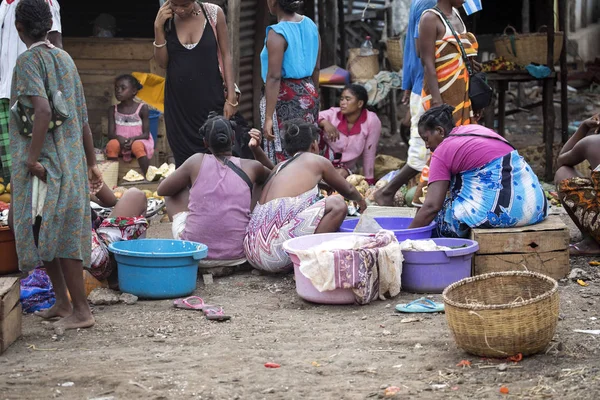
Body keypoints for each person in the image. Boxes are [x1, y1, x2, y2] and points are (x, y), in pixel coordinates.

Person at [8, 0, 102, 330]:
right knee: (43, 229)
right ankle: (63, 302)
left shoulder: (28, 61)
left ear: (18, 28)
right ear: (49, 25)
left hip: (48, 166)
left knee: (59, 234)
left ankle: (81, 311)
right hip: (71, 160)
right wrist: (92, 163)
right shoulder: (65, 59)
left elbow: (44, 111)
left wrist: (31, 158)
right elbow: (83, 118)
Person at [244, 120, 367, 273]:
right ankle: (311, 265)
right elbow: (348, 189)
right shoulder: (317, 161)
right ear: (314, 144)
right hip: (273, 255)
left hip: (251, 251)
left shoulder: (279, 167)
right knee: (337, 204)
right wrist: (362, 202)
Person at [408, 105, 547, 238]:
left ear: (440, 131)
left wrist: (405, 236)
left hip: (509, 214)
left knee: (438, 221)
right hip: (537, 207)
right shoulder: (475, 129)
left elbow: (432, 206)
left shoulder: (442, 150)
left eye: (426, 139)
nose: (427, 146)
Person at [157, 113, 270, 267]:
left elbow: (162, 190)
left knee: (173, 191)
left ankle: (195, 232)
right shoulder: (252, 166)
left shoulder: (196, 161)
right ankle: (247, 217)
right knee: (262, 182)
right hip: (238, 255)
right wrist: (256, 150)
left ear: (205, 142)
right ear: (233, 139)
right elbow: (274, 174)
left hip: (195, 255)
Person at [154, 0, 238, 167]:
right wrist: (158, 28)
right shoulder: (165, 18)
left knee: (218, 157)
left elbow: (226, 55)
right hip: (178, 107)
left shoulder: (214, 14)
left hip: (211, 103)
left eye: (185, 5)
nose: (179, 10)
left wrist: (231, 96)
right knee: (184, 162)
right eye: (174, 4)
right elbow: (163, 63)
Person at [373, 0, 436, 206]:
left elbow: (409, 48)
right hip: (430, 88)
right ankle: (388, 192)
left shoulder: (422, 3)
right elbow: (419, 52)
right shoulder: (428, 5)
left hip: (424, 85)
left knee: (430, 149)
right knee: (420, 150)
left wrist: (407, 83)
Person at [0, 0, 62, 183]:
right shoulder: (5, 3)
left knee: (33, 165)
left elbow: (55, 41)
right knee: (13, 168)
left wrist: (55, 89)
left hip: (35, 94)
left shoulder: (43, 2)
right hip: (6, 91)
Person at [261, 0, 321, 165]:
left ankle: (289, 187)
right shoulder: (310, 25)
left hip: (286, 99)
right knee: (308, 146)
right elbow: (316, 68)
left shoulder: (277, 33)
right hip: (309, 93)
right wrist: (314, 97)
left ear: (273, 2)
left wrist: (268, 117)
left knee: (288, 151)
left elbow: (274, 77)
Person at [419, 0, 479, 125]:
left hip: (462, 91)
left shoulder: (456, 14)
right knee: (446, 137)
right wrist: (437, 103)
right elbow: (427, 63)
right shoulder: (430, 19)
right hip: (443, 94)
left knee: (464, 138)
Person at [554, 113, 600, 256]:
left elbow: (562, 161)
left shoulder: (592, 143)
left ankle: (593, 241)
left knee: (563, 173)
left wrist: (583, 127)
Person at [317, 84, 381, 184]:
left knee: (339, 176)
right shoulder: (333, 113)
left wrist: (369, 181)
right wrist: (324, 122)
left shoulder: (371, 120)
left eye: (347, 99)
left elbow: (369, 152)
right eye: (342, 99)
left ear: (360, 103)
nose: (342, 103)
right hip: (323, 160)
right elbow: (312, 116)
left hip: (344, 168)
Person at [90, 184, 148, 286]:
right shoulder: (80, 169)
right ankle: (126, 275)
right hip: (93, 260)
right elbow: (109, 200)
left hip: (58, 263)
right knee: (136, 195)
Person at [105, 74, 154, 176]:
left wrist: (133, 139)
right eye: (116, 88)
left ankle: (147, 176)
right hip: (120, 144)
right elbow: (110, 134)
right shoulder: (113, 110)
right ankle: (112, 177)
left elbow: (146, 134)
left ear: (134, 91)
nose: (118, 91)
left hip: (138, 142)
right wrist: (120, 138)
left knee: (137, 146)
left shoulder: (142, 108)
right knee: (111, 145)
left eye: (123, 88)